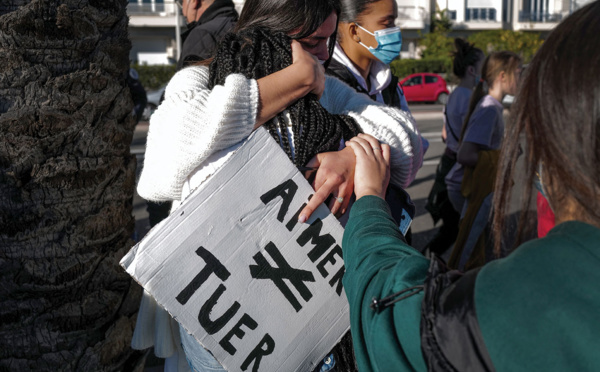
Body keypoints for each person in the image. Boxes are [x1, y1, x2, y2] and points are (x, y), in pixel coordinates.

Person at [132, 0, 424, 370]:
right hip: (224, 323)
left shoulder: (326, 86)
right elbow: (159, 173)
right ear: (275, 27)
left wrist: (353, 154)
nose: (324, 54)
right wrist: (288, 83)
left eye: (330, 40)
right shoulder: (201, 79)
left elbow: (409, 141)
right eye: (316, 41)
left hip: (309, 322)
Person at [341, 2, 600, 370]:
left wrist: (369, 199)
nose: (393, 33)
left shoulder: (524, 296)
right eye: (388, 23)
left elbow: (388, 311)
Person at [145, 0, 240, 228]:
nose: (182, 9)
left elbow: (187, 114)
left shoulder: (204, 34)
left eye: (180, 3)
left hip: (190, 174)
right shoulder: (241, 28)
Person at [444, 50, 521, 270]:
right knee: (468, 251)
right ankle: (453, 295)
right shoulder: (489, 109)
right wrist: (504, 157)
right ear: (502, 77)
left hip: (476, 186)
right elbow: (466, 155)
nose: (521, 77)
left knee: (482, 247)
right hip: (469, 187)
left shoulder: (492, 105)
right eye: (518, 72)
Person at [424, 38, 484, 256]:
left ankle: (430, 263)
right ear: (471, 70)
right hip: (463, 168)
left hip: (447, 163)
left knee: (453, 226)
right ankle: (428, 266)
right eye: (482, 67)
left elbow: (443, 134)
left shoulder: (452, 97)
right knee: (460, 228)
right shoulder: (474, 100)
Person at [177, 0, 239, 70]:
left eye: (182, 1)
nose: (182, 10)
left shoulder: (200, 34)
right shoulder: (244, 28)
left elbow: (190, 79)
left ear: (194, 1)